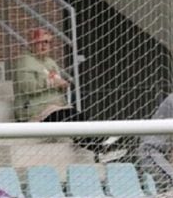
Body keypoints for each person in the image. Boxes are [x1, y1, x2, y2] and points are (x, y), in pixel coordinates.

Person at [12, 27, 122, 160]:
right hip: (34, 110)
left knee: (80, 116)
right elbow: (27, 87)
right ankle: (100, 148)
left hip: (55, 106)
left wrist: (62, 86)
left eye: (47, 42)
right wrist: (52, 83)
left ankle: (100, 148)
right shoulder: (25, 61)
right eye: (40, 42)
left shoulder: (50, 62)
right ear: (32, 44)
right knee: (68, 117)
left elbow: (55, 83)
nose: (44, 46)